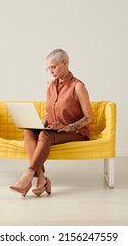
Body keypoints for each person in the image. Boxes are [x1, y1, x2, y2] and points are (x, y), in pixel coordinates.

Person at [9, 48, 93, 197]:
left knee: (45, 135)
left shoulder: (78, 86)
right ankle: (41, 179)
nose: (50, 71)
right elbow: (49, 111)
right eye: (48, 68)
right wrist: (39, 124)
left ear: (65, 63)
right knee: (28, 132)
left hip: (75, 132)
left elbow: (89, 118)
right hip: (53, 130)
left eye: (53, 67)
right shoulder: (50, 86)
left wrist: (68, 127)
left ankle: (27, 176)